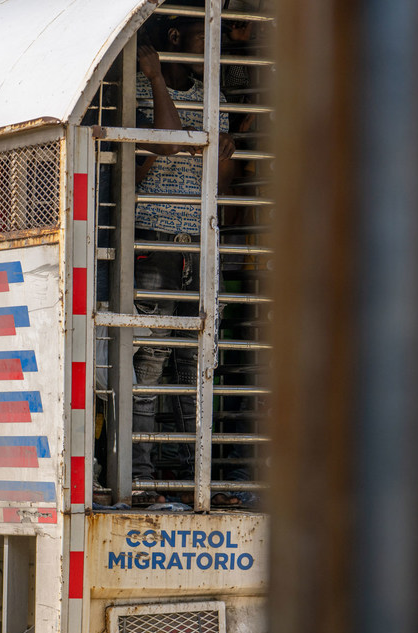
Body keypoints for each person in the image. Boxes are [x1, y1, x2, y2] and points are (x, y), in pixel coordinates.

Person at [129, 15, 239, 506]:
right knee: (151, 360)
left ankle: (200, 480)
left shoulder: (212, 101)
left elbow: (224, 190)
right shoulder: (135, 88)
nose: (208, 46)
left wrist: (223, 157)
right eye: (201, 36)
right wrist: (153, 78)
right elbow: (169, 141)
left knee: (198, 361)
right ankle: (142, 476)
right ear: (174, 39)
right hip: (155, 242)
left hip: (199, 245)